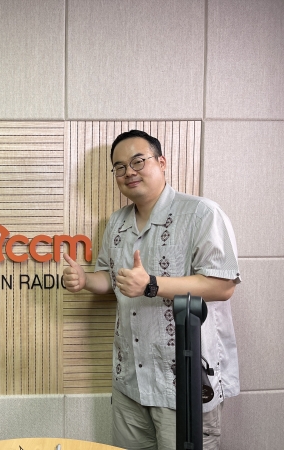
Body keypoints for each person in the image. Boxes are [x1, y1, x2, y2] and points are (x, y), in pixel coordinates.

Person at [63, 130, 240, 450]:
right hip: (129, 382)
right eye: (119, 167)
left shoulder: (202, 213)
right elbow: (110, 277)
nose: (129, 172)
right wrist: (85, 280)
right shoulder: (117, 222)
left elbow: (222, 285)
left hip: (183, 383)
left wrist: (152, 284)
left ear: (161, 162)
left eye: (137, 161)